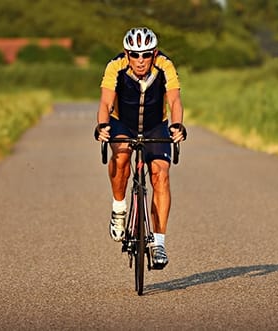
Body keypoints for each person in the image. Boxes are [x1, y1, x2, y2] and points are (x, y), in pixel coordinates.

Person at [94, 27, 187, 270]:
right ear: (127, 53)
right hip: (122, 123)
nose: (140, 61)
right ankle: (118, 208)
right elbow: (105, 101)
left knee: (160, 174)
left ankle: (158, 243)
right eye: (135, 55)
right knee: (122, 154)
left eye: (146, 55)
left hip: (155, 126)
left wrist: (177, 125)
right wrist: (102, 126)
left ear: (154, 53)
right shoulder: (115, 66)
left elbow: (175, 100)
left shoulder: (165, 65)